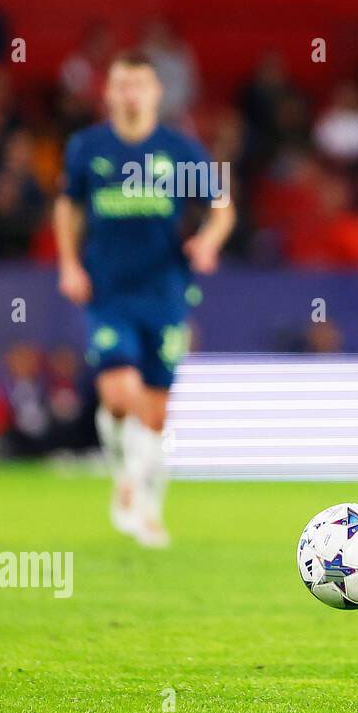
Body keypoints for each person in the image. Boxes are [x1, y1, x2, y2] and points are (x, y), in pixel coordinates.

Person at [54, 51, 235, 547]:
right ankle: (127, 479)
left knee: (154, 411)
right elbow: (68, 207)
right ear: (108, 92)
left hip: (166, 291)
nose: (130, 93)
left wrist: (208, 242)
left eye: (139, 84)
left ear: (156, 92)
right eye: (121, 84)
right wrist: (69, 264)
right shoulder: (88, 148)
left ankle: (149, 506)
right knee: (118, 396)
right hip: (109, 290)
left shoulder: (179, 150)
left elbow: (220, 208)